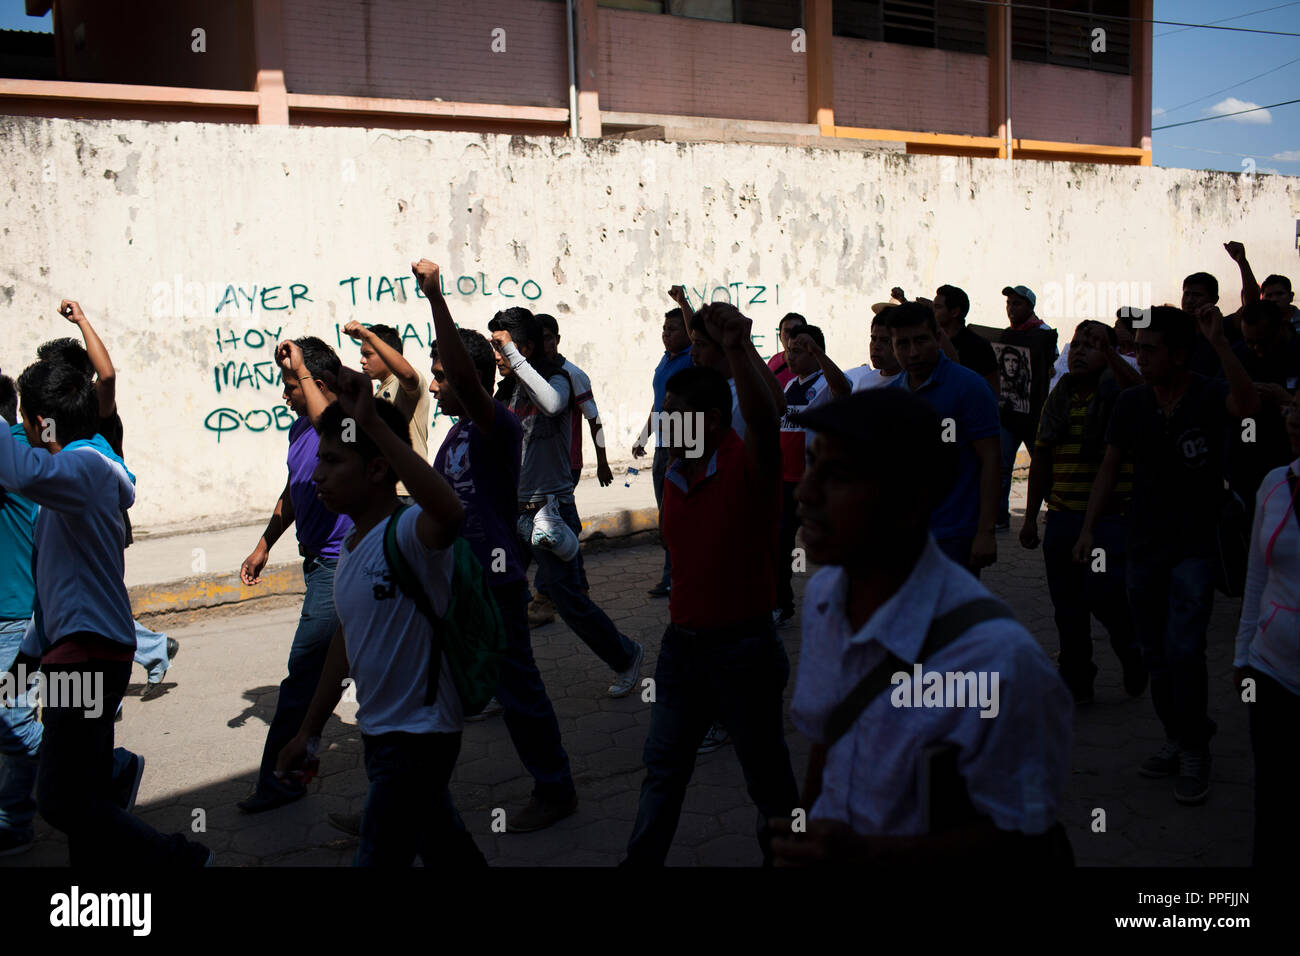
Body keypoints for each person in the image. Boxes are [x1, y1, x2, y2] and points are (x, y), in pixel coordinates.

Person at [769, 387, 1072, 866]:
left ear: (910, 500)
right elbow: (827, 739)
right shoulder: (826, 594)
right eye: (810, 463)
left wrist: (867, 854)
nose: (806, 491)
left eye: (839, 474)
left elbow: (1025, 840)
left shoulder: (1000, 664)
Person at [0, 355, 210, 865]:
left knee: (61, 800)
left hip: (86, 659)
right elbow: (56, 598)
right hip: (79, 654)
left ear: (36, 423)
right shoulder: (70, 482)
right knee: (84, 802)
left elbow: (16, 471)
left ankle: (175, 856)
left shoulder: (82, 469)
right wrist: (21, 669)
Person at [276, 378, 486, 868]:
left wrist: (373, 424)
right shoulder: (351, 549)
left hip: (420, 736)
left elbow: (450, 511)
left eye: (331, 462)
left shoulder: (410, 532)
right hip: (382, 733)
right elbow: (345, 643)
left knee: (379, 854)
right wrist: (309, 731)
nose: (316, 476)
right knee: (444, 844)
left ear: (375, 469)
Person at [622, 304, 798, 866]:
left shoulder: (749, 468)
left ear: (715, 425)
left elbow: (766, 419)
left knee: (767, 782)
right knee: (664, 767)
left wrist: (740, 347)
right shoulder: (676, 473)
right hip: (683, 649)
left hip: (743, 649)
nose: (665, 431)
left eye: (677, 420)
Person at [415, 258, 578, 831]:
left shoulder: (495, 427)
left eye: (440, 374)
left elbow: (466, 372)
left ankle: (555, 789)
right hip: (457, 586)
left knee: (519, 693)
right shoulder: (454, 436)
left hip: (496, 585)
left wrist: (436, 300)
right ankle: (406, 802)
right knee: (436, 698)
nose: (433, 385)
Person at [1074, 305, 1259, 806]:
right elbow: (1110, 469)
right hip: (1143, 547)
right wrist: (1089, 528)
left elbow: (1246, 407)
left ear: (1179, 355)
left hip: (1194, 550)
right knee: (1156, 655)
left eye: (1150, 349)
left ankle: (1195, 748)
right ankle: (1179, 736)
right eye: (1138, 348)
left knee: (1184, 651)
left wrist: (1221, 343)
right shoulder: (1133, 403)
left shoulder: (1207, 392)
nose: (1141, 356)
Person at [490, 307, 643, 698]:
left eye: (501, 345)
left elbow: (555, 405)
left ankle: (626, 656)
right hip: (515, 512)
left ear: (522, 347)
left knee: (569, 601)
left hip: (550, 511)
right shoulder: (506, 391)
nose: (496, 354)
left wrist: (514, 357)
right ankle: (500, 683)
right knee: (500, 596)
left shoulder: (557, 380)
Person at [38, 305, 179, 699]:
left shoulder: (94, 413)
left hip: (99, 513)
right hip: (68, 511)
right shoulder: (54, 422)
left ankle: (126, 670)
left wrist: (82, 321)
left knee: (93, 594)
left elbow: (108, 375)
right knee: (82, 593)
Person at [236, 337, 351, 814]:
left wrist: (302, 368)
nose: (285, 394)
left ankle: (278, 779)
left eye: (291, 384)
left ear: (317, 383)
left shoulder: (346, 427)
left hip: (340, 566)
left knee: (301, 676)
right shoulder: (298, 430)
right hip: (316, 563)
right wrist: (265, 544)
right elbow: (292, 491)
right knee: (331, 671)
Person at [1020, 321, 1146, 703]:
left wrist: (1111, 353)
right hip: (1063, 519)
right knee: (1067, 606)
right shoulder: (1058, 398)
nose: (1079, 352)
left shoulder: (1119, 398)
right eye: (1076, 345)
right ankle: (1077, 679)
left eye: (1091, 346)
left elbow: (1141, 393)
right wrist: (1028, 517)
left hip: (1108, 522)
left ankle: (1131, 649)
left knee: (1103, 592)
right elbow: (1041, 458)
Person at [1234, 394, 1300, 866]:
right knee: (1274, 799)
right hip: (1271, 669)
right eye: (1291, 406)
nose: (1292, 418)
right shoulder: (1275, 485)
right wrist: (1242, 658)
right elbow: (1256, 577)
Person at [887, 302, 1000, 576]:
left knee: (950, 618)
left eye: (921, 340)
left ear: (938, 338)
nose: (912, 352)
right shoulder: (892, 396)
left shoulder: (969, 388)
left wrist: (985, 532)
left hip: (955, 537)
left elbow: (992, 460)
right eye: (902, 344)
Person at [527, 313, 615, 626]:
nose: (546, 345)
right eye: (540, 339)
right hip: (539, 467)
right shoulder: (530, 374)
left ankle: (543, 597)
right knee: (557, 525)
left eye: (550, 337)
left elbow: (594, 419)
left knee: (548, 528)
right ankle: (578, 587)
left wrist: (602, 461)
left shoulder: (571, 374)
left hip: (566, 466)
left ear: (558, 339)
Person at [774, 324, 852, 627]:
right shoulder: (789, 385)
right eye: (788, 351)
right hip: (786, 481)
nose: (789, 357)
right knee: (781, 546)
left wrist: (818, 353)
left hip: (818, 483)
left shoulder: (827, 383)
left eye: (796, 351)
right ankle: (781, 604)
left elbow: (843, 390)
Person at [0, 374, 40, 856]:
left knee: (10, 717)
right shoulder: (24, 446)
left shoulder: (12, 449)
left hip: (15, 615)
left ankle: (106, 767)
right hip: (19, 609)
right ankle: (13, 818)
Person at [633, 294, 694, 597]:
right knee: (667, 512)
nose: (667, 334)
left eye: (673, 329)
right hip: (663, 446)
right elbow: (659, 403)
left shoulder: (692, 358)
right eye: (664, 329)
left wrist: (684, 303)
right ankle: (673, 573)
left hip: (685, 444)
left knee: (680, 511)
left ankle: (679, 575)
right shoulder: (666, 360)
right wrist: (644, 436)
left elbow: (696, 329)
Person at [1229, 299, 1300, 517]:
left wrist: (1286, 399)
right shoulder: (1240, 355)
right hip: (1252, 450)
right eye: (1250, 342)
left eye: (1264, 342)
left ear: (1281, 328)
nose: (1257, 349)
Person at [344, 320, 430, 500]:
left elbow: (407, 374)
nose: (362, 361)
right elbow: (349, 440)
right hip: (383, 492)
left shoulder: (405, 384)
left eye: (368, 354)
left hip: (408, 491)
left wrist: (368, 335)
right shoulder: (373, 397)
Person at [996, 285, 1054, 530]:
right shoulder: (1007, 335)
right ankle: (1000, 516)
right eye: (1009, 304)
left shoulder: (1044, 333)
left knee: (1042, 465)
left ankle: (1055, 508)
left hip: (1035, 415)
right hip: (1009, 412)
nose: (1011, 309)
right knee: (1001, 465)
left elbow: (1052, 371)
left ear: (1030, 307)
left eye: (1017, 304)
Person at [931, 285, 998, 394]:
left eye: (938, 307)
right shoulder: (932, 340)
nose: (932, 311)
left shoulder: (978, 346)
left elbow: (992, 391)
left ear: (954, 312)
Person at [844, 309, 903, 391]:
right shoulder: (865, 382)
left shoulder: (911, 383)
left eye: (885, 341)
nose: (876, 347)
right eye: (874, 339)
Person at [766, 312, 805, 388]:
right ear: (780, 337)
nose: (791, 335)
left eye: (796, 330)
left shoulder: (814, 364)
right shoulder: (773, 361)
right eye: (787, 331)